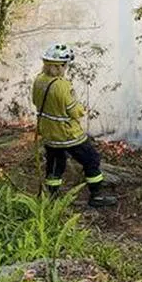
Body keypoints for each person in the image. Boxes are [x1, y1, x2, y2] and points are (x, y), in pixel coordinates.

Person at [31, 43, 118, 207]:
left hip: (49, 133)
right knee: (91, 159)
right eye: (65, 65)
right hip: (68, 134)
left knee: (55, 164)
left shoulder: (38, 80)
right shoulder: (62, 85)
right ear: (60, 65)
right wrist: (81, 110)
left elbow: (35, 101)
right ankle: (96, 196)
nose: (66, 68)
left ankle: (53, 198)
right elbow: (74, 111)